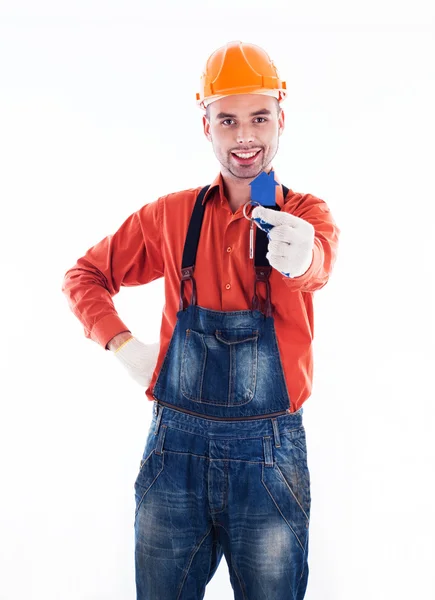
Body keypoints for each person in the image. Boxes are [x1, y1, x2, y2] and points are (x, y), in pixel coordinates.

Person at [61, 40, 340, 600]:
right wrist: (122, 346)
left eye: (260, 118)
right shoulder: (169, 216)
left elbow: (320, 264)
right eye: (228, 120)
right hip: (175, 451)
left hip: (268, 455)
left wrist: (303, 257)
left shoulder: (305, 215)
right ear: (205, 124)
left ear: (280, 119)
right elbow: (84, 276)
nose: (245, 137)